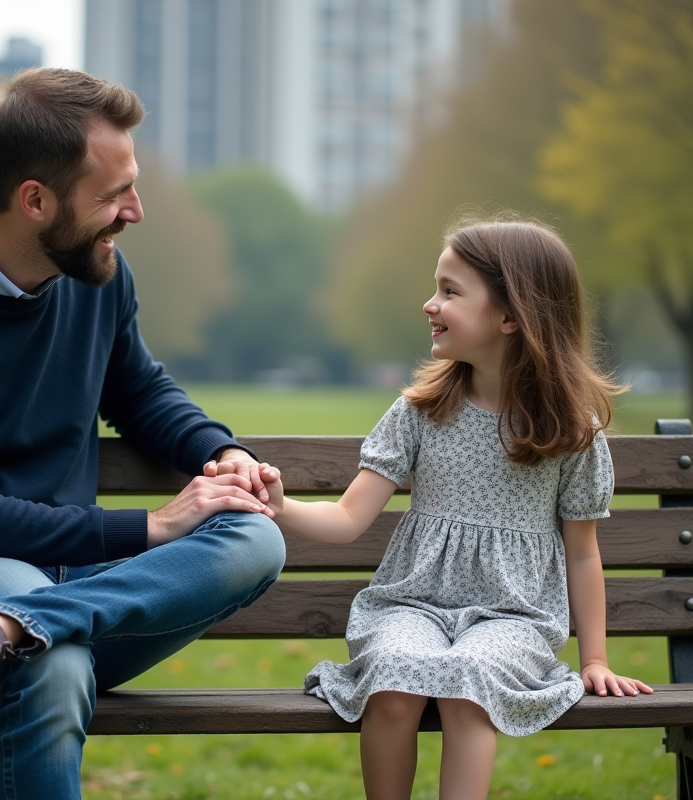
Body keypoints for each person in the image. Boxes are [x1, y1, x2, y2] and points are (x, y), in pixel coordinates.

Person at [0, 68, 285, 799]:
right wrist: (150, 527)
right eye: (112, 196)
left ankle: (7, 632)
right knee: (59, 660)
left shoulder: (98, 273)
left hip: (64, 588)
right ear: (35, 200)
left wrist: (222, 453)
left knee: (256, 537)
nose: (134, 212)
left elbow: (139, 392)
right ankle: (9, 628)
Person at [256, 216, 652, 800]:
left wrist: (594, 656)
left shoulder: (570, 433)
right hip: (412, 603)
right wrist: (281, 506)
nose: (429, 304)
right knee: (393, 677)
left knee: (470, 682)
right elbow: (346, 518)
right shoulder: (420, 412)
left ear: (511, 316)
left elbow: (583, 553)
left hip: (514, 617)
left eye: (450, 290)